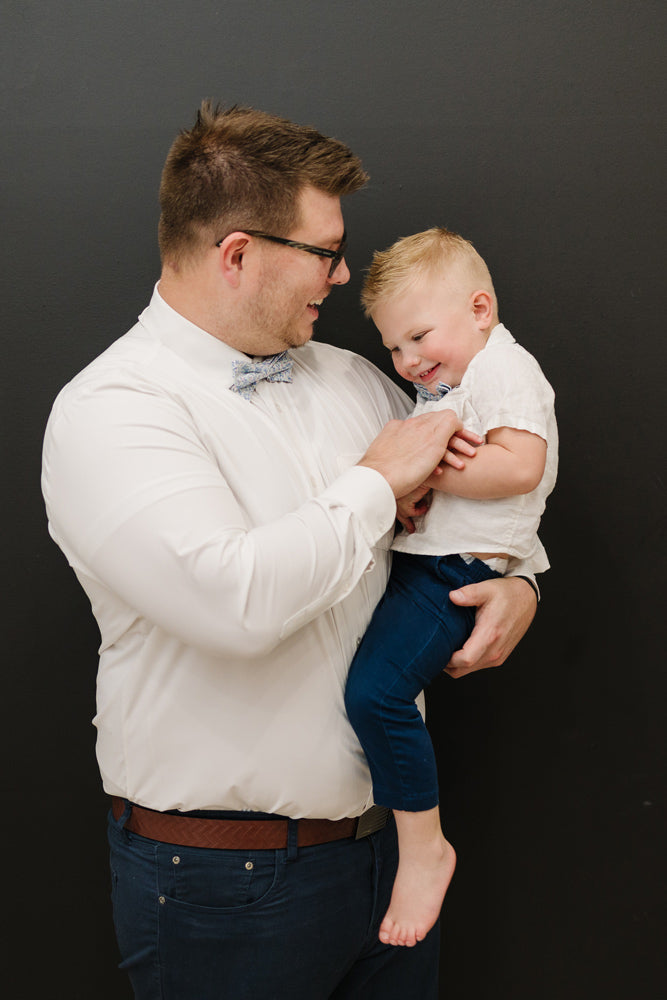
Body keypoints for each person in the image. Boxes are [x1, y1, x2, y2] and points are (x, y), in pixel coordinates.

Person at [41, 102, 539, 1000]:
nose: (342, 274)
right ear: (238, 254)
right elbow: (235, 606)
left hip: (389, 854)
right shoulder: (110, 411)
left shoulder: (356, 381)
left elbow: (479, 497)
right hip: (219, 885)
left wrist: (520, 581)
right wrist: (374, 482)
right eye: (324, 251)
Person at [344, 227, 558, 950]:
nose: (408, 360)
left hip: (455, 573)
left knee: (376, 694)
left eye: (418, 336)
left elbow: (520, 467)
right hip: (429, 561)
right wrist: (410, 497)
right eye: (394, 347)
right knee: (375, 690)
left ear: (480, 309)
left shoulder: (503, 367)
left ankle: (425, 848)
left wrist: (425, 468)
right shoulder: (447, 384)